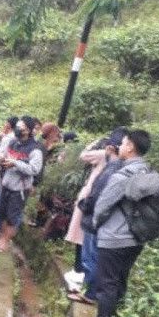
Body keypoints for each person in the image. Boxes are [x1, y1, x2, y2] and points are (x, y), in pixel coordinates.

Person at [90, 129, 152, 317]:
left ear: (131, 147)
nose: (121, 146)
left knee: (106, 287)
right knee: (119, 284)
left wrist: (97, 226)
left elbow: (102, 206)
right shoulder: (147, 172)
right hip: (136, 239)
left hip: (115, 239)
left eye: (124, 143)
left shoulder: (123, 175)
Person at [68, 127, 127, 306]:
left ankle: (90, 293)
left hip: (95, 217)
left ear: (110, 148)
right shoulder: (123, 167)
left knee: (90, 255)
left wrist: (84, 206)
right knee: (91, 254)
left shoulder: (111, 167)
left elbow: (98, 192)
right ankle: (89, 288)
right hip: (104, 220)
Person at [0, 116, 43, 252]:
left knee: (12, 217)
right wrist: (1, 159)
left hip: (20, 188)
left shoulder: (35, 149)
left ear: (29, 130)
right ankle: (1, 240)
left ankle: (4, 243)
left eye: (21, 127)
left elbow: (34, 169)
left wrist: (15, 163)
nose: (18, 129)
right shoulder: (14, 142)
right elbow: (3, 155)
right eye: (18, 126)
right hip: (6, 183)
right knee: (2, 213)